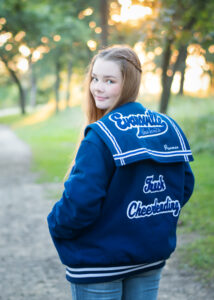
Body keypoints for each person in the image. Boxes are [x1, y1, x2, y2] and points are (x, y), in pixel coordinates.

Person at [47, 45, 195, 300]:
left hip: (99, 263)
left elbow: (81, 202)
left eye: (109, 80)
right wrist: (149, 223)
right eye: (95, 78)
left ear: (129, 83)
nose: (97, 87)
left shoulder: (99, 136)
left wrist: (56, 224)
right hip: (149, 254)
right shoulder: (169, 126)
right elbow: (184, 186)